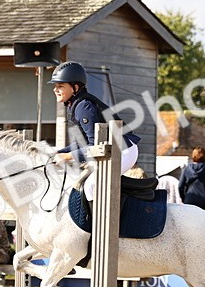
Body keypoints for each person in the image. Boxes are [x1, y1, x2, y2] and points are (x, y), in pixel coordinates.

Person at [48, 61, 140, 201]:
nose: (55, 89)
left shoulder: (83, 107)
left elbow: (93, 147)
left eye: (60, 85)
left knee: (90, 186)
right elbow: (83, 143)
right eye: (55, 86)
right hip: (111, 150)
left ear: (75, 87)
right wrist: (60, 152)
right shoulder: (76, 105)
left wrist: (68, 156)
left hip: (124, 150)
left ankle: (99, 223)